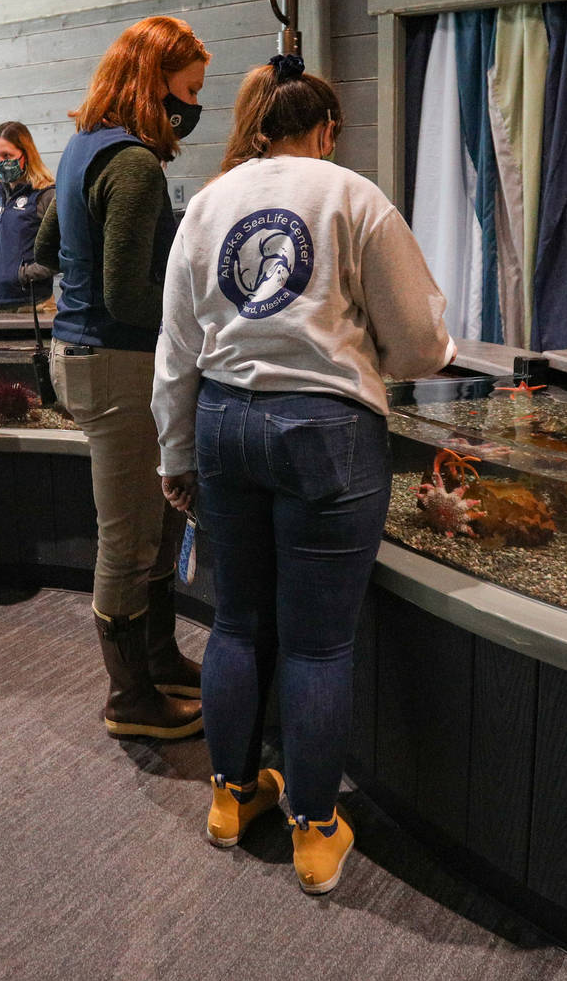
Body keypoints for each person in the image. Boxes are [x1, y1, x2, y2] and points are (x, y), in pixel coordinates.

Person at [152, 57, 455, 895]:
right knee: (319, 641)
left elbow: (175, 350)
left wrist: (175, 453)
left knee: (237, 623)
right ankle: (316, 834)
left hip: (224, 424)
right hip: (325, 430)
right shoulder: (352, 197)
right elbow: (423, 343)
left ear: (257, 126)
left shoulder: (209, 205)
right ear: (325, 130)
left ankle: (229, 797)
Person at [31, 15, 207, 740]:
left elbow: (45, 247)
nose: (194, 105)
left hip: (85, 355)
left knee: (156, 522)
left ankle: (160, 657)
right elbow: (130, 296)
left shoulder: (81, 148)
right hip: (118, 361)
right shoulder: (134, 164)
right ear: (153, 83)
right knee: (130, 535)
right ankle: (129, 695)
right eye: (189, 89)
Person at [0, 121, 57, 316]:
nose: (0, 161)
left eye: (7, 155)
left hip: (33, 306)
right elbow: (2, 234)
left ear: (26, 155)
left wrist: (22, 275)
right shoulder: (2, 194)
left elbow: (62, 250)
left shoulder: (45, 195)